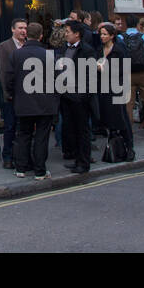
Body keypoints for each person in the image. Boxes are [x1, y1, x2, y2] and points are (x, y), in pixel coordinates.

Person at [8, 21, 57, 179]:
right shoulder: (49, 55)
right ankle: (40, 171)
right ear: (41, 36)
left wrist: (13, 94)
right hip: (45, 102)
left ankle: (21, 168)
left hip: (23, 101)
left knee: (23, 135)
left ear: (26, 35)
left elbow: (9, 79)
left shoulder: (16, 54)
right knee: (41, 138)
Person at [59, 21, 96, 175]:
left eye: (68, 31)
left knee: (82, 131)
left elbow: (90, 75)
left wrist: (82, 96)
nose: (65, 34)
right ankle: (76, 159)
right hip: (66, 96)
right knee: (71, 129)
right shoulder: (65, 48)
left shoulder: (87, 50)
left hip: (79, 97)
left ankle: (84, 162)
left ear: (77, 34)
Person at [96, 22, 134, 158]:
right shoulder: (99, 49)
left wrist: (102, 68)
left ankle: (129, 147)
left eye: (105, 34)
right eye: (101, 34)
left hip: (117, 87)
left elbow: (121, 69)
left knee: (121, 117)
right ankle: (115, 149)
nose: (102, 37)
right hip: (104, 87)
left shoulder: (119, 49)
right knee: (109, 117)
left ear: (112, 36)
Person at [0, 18, 27, 168]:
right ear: (12, 30)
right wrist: (7, 93)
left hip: (26, 95)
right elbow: (2, 71)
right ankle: (7, 156)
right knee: (10, 126)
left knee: (23, 128)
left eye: (25, 28)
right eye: (20, 28)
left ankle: (21, 155)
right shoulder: (4, 46)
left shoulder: (27, 46)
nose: (23, 31)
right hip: (11, 95)